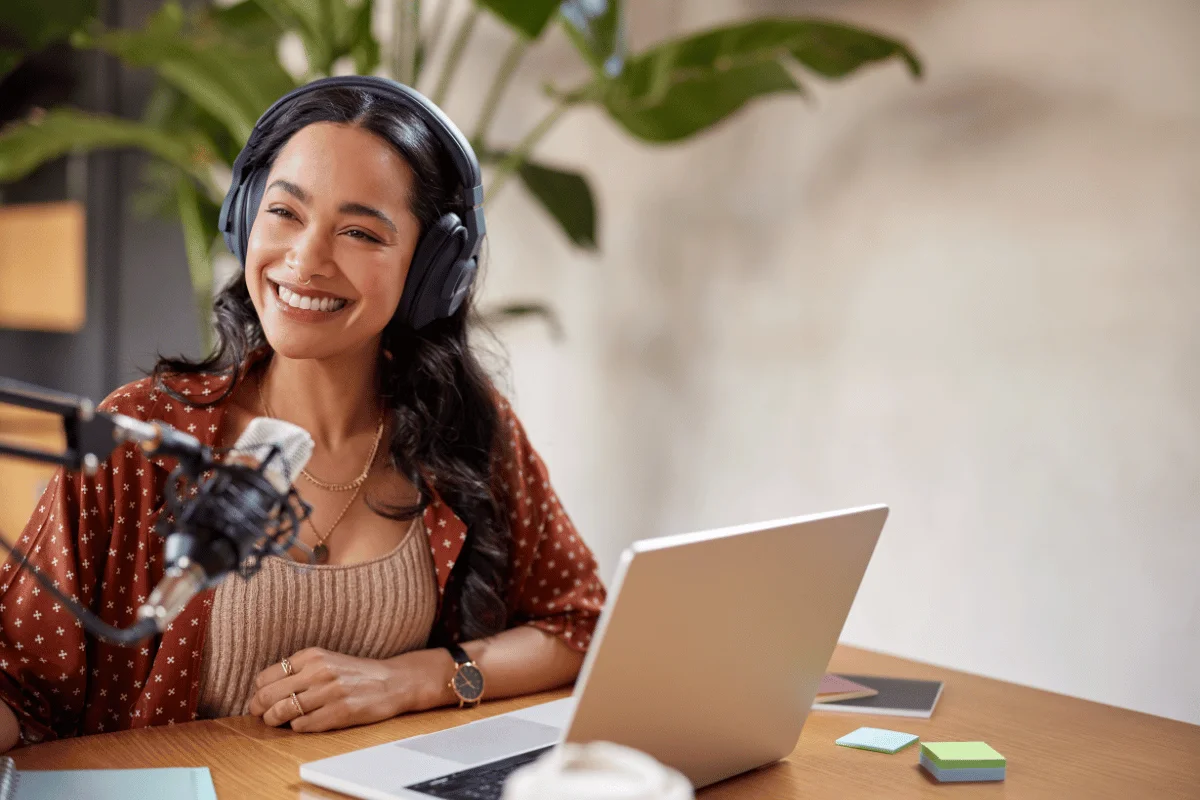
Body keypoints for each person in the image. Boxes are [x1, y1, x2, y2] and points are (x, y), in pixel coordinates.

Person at [0, 77, 605, 750]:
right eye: (285, 213)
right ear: (246, 217)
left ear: (431, 267)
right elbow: (17, 685)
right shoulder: (143, 436)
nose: (306, 259)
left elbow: (578, 626)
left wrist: (414, 679)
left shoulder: (466, 432)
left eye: (358, 231)